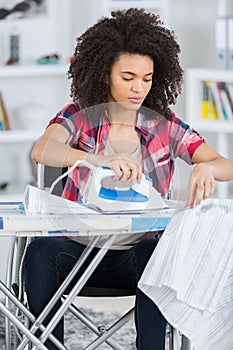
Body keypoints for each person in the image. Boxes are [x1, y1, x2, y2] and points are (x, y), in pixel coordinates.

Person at [24, 8, 233, 350]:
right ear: (104, 73)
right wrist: (97, 160)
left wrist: (206, 167)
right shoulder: (78, 115)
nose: (139, 88)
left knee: (157, 250)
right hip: (77, 253)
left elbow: (224, 163)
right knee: (40, 252)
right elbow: (43, 150)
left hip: (135, 257)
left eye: (147, 78)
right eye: (128, 77)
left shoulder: (164, 126)